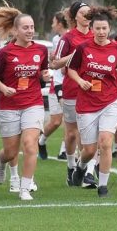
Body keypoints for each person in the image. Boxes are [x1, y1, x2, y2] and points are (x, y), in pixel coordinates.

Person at [0, 6, 50, 200]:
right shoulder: (5, 52)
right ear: (15, 30)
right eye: (25, 28)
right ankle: (1, 161)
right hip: (10, 106)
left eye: (32, 27)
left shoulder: (41, 50)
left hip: (33, 103)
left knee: (30, 144)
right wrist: (4, 89)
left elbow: (42, 73)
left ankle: (25, 187)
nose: (30, 31)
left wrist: (44, 75)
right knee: (11, 152)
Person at [67, 7, 117, 197]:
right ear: (92, 29)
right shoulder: (83, 48)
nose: (102, 32)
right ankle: (80, 167)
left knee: (105, 143)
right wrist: (80, 81)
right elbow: (71, 69)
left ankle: (102, 186)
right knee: (89, 150)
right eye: (98, 29)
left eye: (105, 29)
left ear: (109, 29)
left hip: (110, 102)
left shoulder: (116, 48)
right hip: (87, 105)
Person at [51, 1, 94, 186]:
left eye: (89, 13)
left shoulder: (97, 34)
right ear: (75, 16)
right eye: (82, 13)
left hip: (94, 91)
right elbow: (55, 64)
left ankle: (87, 172)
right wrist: (75, 54)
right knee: (71, 134)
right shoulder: (68, 38)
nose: (86, 16)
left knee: (91, 135)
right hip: (72, 90)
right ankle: (70, 166)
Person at [38, 10, 69, 160]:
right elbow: (55, 63)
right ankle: (41, 141)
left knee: (71, 120)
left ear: (60, 23)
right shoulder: (57, 39)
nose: (52, 25)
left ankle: (64, 150)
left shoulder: (70, 37)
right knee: (56, 121)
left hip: (70, 83)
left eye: (53, 22)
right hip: (56, 83)